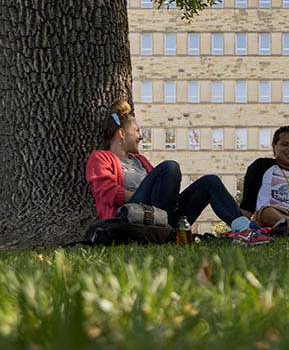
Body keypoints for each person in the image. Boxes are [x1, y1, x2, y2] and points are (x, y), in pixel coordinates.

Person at [85, 100, 271, 245]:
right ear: (122, 133)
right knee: (170, 167)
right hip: (132, 218)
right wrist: (150, 196)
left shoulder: (140, 160)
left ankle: (244, 230)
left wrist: (167, 199)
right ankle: (163, 228)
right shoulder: (101, 158)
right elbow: (109, 194)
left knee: (210, 182)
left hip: (164, 217)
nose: (141, 136)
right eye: (137, 130)